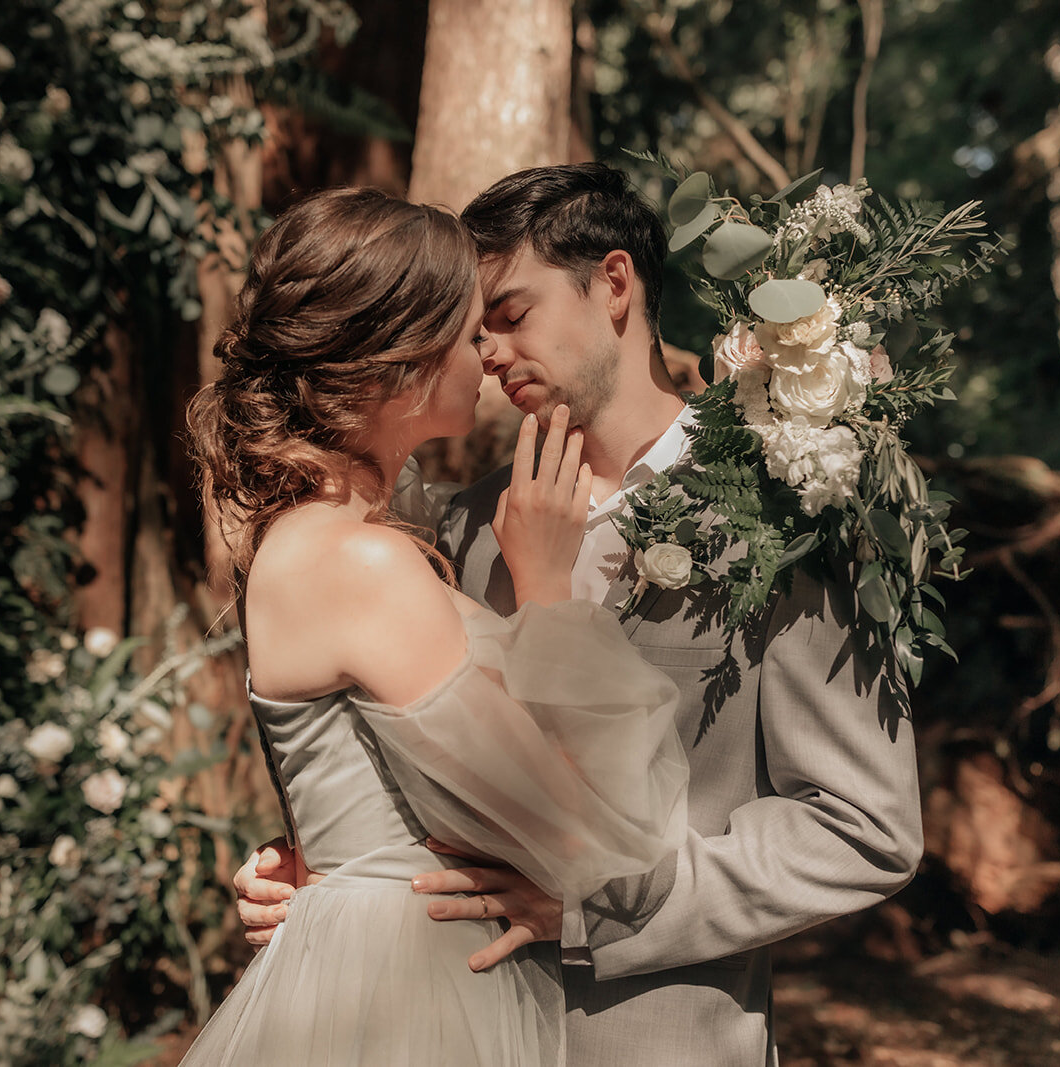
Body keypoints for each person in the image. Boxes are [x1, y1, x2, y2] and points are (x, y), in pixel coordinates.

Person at [235, 164, 925, 1066]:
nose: (485, 352)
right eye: (472, 330)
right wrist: (311, 872)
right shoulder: (451, 528)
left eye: (510, 315)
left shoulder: (786, 516)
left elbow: (863, 826)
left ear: (612, 283)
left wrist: (594, 907)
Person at [178, 186, 694, 1066]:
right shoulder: (364, 563)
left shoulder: (321, 540)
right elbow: (579, 827)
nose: (486, 356)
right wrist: (543, 582)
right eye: (466, 333)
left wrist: (310, 862)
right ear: (402, 363)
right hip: (408, 995)